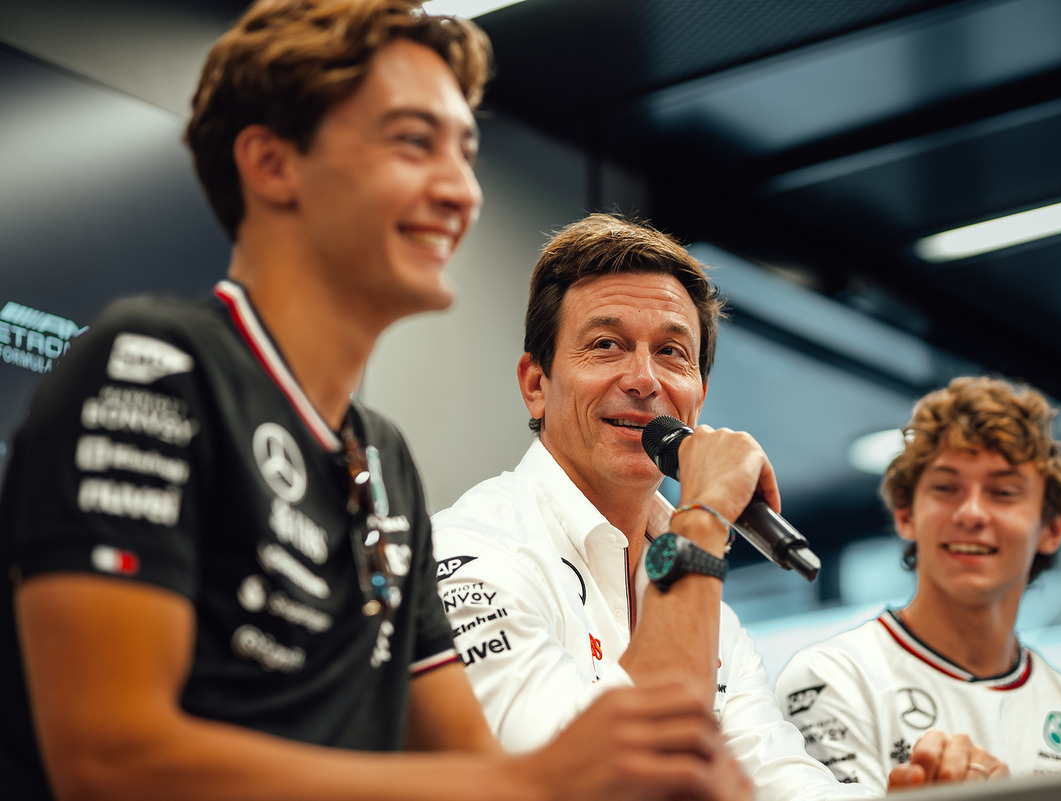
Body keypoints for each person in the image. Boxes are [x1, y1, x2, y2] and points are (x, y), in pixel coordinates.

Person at [0, 4, 753, 801]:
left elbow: (473, 768)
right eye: (412, 142)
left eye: (465, 152)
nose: (460, 190)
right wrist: (545, 776)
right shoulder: (153, 366)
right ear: (272, 163)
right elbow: (112, 759)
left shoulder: (381, 459)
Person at [431, 213, 1008, 801]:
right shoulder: (469, 555)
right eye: (605, 345)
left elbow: (782, 786)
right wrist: (705, 515)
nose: (643, 379)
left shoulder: (717, 626)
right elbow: (597, 785)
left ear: (698, 399)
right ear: (536, 384)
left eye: (671, 352)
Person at [774, 376, 1061, 793]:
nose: (971, 513)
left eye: (1003, 492)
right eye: (946, 488)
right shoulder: (832, 679)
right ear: (906, 515)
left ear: (1052, 529)